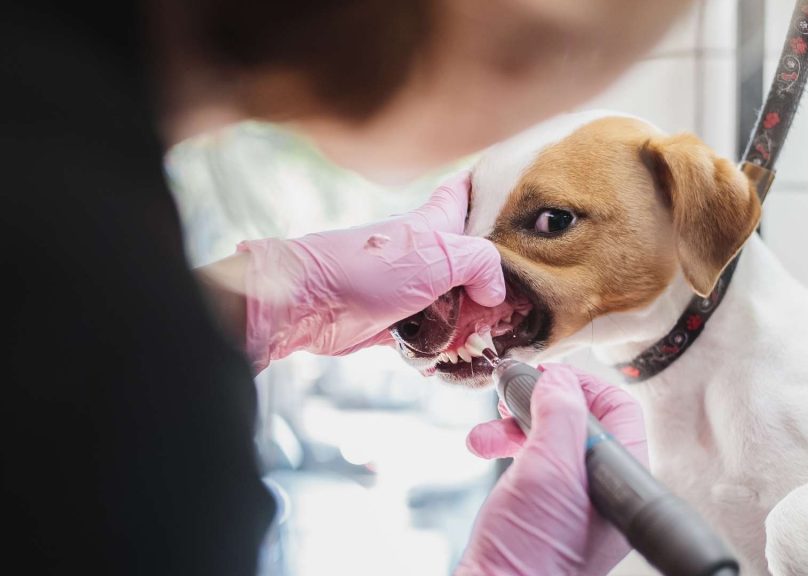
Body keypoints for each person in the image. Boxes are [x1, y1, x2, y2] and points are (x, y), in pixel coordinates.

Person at [2, 0, 692, 574]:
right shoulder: (131, 383)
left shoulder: (42, 106)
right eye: (575, 73)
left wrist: (268, 297)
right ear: (526, 24)